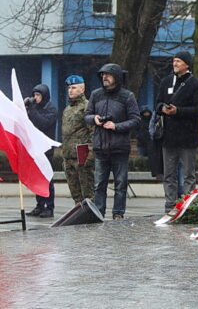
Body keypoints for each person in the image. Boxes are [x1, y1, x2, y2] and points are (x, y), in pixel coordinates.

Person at [84, 63, 140, 220]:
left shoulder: (127, 96)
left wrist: (116, 126)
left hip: (119, 147)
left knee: (120, 184)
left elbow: (136, 120)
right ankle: (98, 213)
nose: (104, 77)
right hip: (100, 147)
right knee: (99, 185)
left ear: (116, 76)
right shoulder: (96, 94)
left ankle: (118, 213)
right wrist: (94, 119)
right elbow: (87, 115)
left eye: (107, 74)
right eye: (102, 75)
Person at [155, 51, 198, 213]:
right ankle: (170, 206)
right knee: (169, 174)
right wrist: (162, 108)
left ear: (187, 64)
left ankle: (188, 206)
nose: (175, 64)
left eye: (178, 61)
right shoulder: (166, 81)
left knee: (188, 175)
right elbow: (157, 104)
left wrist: (179, 111)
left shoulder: (196, 85)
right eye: (174, 61)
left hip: (187, 137)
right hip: (168, 137)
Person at [25, 84, 58, 218]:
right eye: (34, 95)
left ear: (44, 96)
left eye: (38, 95)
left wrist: (32, 109)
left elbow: (42, 123)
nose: (36, 98)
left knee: (47, 178)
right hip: (35, 148)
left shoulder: (51, 109)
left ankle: (49, 207)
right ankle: (39, 206)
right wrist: (25, 106)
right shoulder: (34, 108)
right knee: (38, 178)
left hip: (46, 149)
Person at [61, 75, 95, 205]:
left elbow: (93, 132)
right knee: (76, 195)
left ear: (82, 89)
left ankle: (90, 219)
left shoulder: (87, 107)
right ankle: (79, 217)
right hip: (68, 157)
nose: (70, 90)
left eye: (74, 87)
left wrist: (90, 155)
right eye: (69, 88)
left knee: (88, 195)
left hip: (82, 158)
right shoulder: (67, 109)